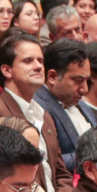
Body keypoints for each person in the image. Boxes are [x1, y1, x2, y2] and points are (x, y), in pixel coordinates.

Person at [0, 33, 75, 192]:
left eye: (40, 61)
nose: (38, 66)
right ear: (7, 70)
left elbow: (61, 172)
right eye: (28, 61)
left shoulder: (44, 114)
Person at [31, 38, 91, 170]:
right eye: (78, 80)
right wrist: (95, 156)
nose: (85, 89)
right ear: (52, 77)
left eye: (87, 80)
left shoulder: (82, 104)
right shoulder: (38, 108)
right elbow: (45, 162)